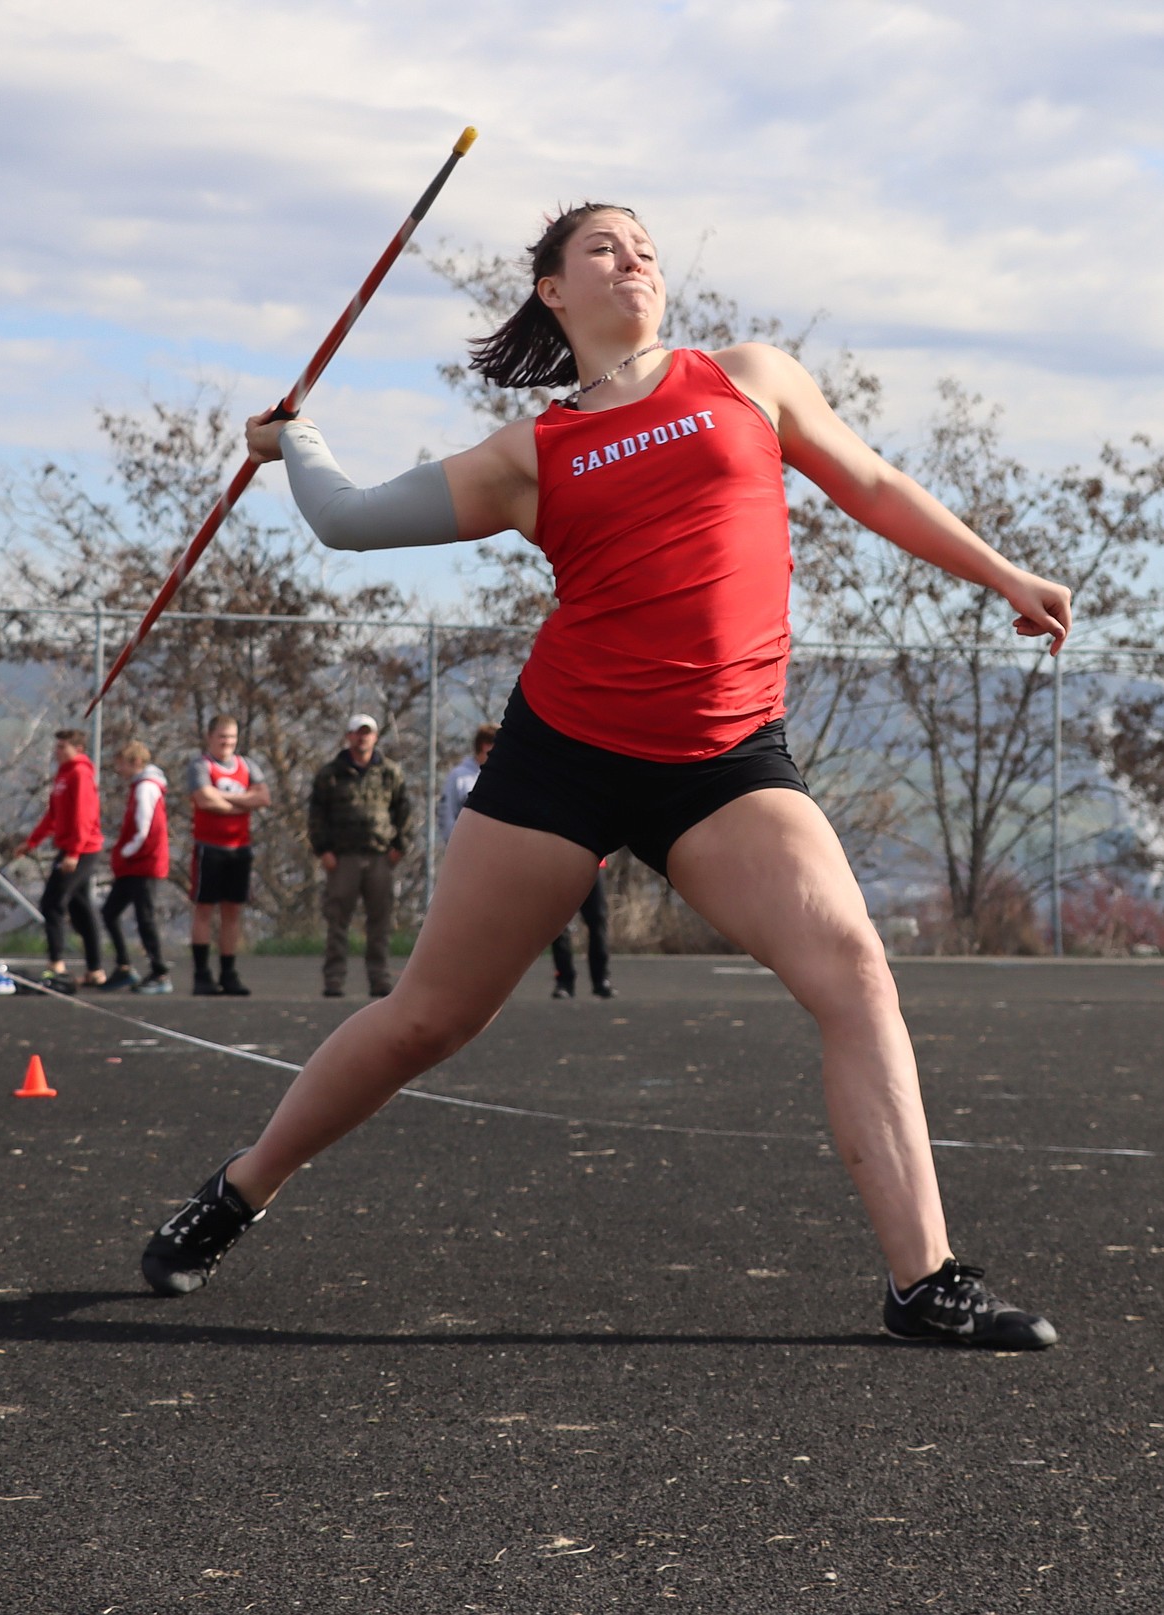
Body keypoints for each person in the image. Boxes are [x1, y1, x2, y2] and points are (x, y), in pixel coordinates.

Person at [142, 203, 1072, 1350]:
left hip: (726, 761)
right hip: (566, 759)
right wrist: (297, 442)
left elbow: (871, 483)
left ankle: (923, 1280)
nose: (634, 259)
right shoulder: (528, 456)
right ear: (553, 291)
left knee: (856, 974)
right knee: (427, 1020)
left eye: (645, 247)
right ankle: (237, 1188)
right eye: (603, 249)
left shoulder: (749, 379)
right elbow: (349, 522)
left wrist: (1004, 572)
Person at [308, 714, 411, 998]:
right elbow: (316, 814)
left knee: (379, 922)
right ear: (349, 736)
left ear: (375, 737)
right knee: (337, 920)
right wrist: (323, 850)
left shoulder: (390, 772)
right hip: (343, 859)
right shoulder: (330, 774)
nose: (362, 738)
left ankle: (379, 979)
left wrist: (399, 846)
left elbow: (404, 811)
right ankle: (334, 980)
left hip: (379, 857)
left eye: (368, 733)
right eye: (357, 733)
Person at [13, 728, 104, 990]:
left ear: (78, 749)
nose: (57, 751)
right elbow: (53, 814)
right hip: (68, 847)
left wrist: (74, 853)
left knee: (52, 902)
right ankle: (95, 969)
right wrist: (31, 842)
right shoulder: (63, 775)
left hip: (83, 849)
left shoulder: (80, 774)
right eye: (57, 747)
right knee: (80, 908)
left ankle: (56, 964)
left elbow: (83, 817)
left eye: (63, 747)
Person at [188, 714, 270, 997]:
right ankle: (201, 973)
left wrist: (227, 801)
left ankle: (228, 972)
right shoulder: (201, 765)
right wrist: (241, 803)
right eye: (222, 737)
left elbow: (262, 797)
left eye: (232, 738)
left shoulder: (246, 765)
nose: (227, 743)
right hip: (209, 848)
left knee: (232, 911)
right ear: (210, 737)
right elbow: (204, 798)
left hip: (240, 848)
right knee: (204, 909)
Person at [100, 741, 172, 994]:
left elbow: (145, 828)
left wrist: (125, 851)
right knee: (110, 912)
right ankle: (123, 966)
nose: (118, 769)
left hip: (144, 864)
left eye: (121, 763)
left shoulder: (145, 789)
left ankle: (160, 972)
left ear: (135, 763)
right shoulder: (138, 788)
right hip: (134, 865)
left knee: (145, 918)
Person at [552, 865, 615, 999]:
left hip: (594, 858)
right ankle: (564, 981)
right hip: (560, 861)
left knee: (598, 918)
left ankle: (601, 979)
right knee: (560, 921)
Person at [437, 723, 498, 844]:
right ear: (486, 746)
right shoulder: (459, 776)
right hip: (466, 848)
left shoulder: (499, 777)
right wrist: (456, 844)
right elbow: (447, 813)